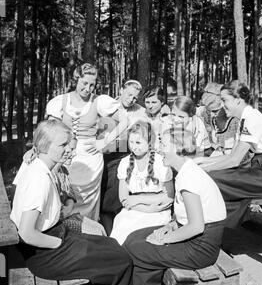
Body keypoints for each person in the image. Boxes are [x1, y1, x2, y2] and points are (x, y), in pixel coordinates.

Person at [10, 119, 133, 285]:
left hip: (54, 235)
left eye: (69, 144)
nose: (69, 149)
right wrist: (59, 244)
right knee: (120, 261)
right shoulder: (39, 178)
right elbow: (26, 233)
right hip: (45, 253)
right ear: (44, 145)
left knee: (111, 245)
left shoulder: (43, 169)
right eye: (63, 145)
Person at [123, 127, 226, 285]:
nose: (158, 149)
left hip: (199, 248)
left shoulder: (190, 178)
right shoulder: (186, 171)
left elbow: (196, 226)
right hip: (191, 235)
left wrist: (163, 240)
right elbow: (187, 217)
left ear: (177, 148)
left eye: (163, 145)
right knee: (133, 237)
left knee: (138, 250)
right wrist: (169, 227)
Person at [194, 80, 262, 228]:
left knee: (213, 179)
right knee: (214, 177)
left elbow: (234, 161)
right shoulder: (245, 119)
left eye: (225, 100)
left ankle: (212, 225)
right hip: (261, 172)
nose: (222, 104)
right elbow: (230, 156)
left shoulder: (252, 119)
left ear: (238, 100)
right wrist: (201, 161)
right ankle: (214, 224)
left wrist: (203, 169)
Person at [46, 63, 128, 221]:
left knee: (86, 201)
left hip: (90, 157)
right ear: (76, 79)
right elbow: (49, 131)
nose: (88, 88)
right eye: (84, 83)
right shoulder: (60, 101)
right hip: (66, 154)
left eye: (92, 84)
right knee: (63, 193)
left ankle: (89, 231)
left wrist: (104, 141)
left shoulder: (99, 101)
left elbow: (125, 121)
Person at [110, 121, 174, 245]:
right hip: (134, 210)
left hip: (157, 210)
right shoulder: (125, 163)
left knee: (140, 240)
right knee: (122, 231)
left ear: (149, 142)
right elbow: (124, 198)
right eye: (131, 142)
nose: (134, 147)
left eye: (138, 142)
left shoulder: (161, 162)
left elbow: (169, 197)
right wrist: (141, 207)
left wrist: (138, 200)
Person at [99, 80, 147, 235]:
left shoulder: (139, 111)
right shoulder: (108, 105)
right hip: (100, 154)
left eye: (135, 97)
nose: (131, 99)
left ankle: (114, 233)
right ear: (121, 90)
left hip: (122, 155)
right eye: (129, 94)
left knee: (113, 197)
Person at [201, 82, 240, 156]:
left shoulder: (236, 120)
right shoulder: (210, 117)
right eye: (210, 111)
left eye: (216, 111)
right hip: (217, 156)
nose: (213, 114)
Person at [143, 85, 170, 149]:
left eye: (154, 102)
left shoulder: (169, 120)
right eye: (147, 102)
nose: (150, 106)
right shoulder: (142, 117)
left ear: (162, 102)